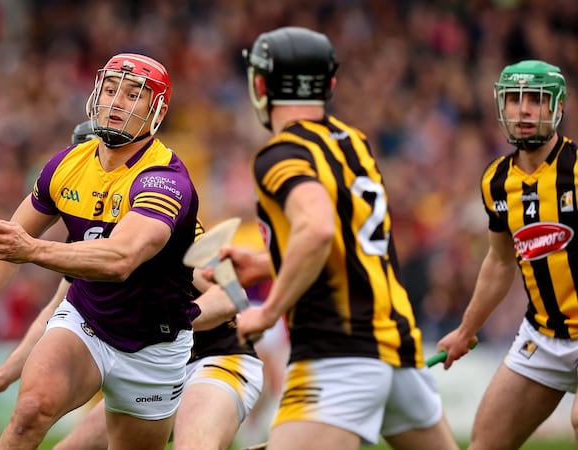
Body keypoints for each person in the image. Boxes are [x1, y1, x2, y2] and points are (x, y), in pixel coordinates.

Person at [0, 53, 202, 450]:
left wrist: (30, 249)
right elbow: (6, 244)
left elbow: (120, 260)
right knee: (30, 411)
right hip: (87, 322)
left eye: (133, 95)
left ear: (157, 110)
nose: (116, 103)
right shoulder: (66, 165)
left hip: (155, 348)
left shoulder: (165, 180)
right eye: (111, 89)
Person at [221, 26, 459, 450]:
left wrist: (268, 310)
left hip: (337, 356)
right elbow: (350, 245)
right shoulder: (355, 144)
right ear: (329, 84)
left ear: (260, 85)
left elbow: (317, 229)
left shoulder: (280, 154)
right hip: (398, 352)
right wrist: (267, 263)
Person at [0, 122, 265, 450]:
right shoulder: (86, 240)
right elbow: (56, 315)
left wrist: (171, 320)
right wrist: (2, 377)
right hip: (145, 360)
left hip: (215, 358)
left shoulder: (167, 223)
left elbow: (232, 297)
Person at [436, 60, 578, 449]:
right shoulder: (496, 180)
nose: (525, 110)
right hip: (544, 336)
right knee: (485, 444)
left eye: (536, 99)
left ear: (558, 108)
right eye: (515, 100)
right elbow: (500, 262)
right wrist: (466, 329)